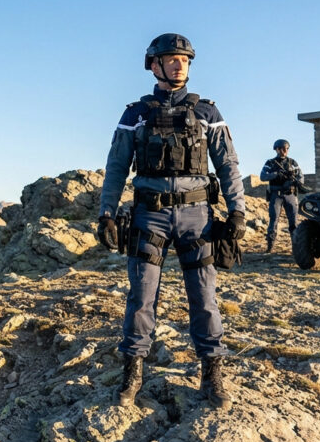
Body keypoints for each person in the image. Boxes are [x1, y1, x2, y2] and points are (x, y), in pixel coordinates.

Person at [97, 33, 246, 410]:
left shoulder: (208, 113)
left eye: (185, 59)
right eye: (172, 59)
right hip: (150, 216)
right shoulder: (136, 114)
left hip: (198, 217)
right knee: (141, 296)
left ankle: (212, 374)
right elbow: (116, 168)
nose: (180, 64)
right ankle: (132, 371)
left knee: (205, 297)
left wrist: (238, 211)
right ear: (154, 65)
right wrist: (106, 213)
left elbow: (228, 165)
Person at [259, 139, 304, 254]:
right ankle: (270, 247)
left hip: (290, 195)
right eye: (283, 148)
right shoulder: (270, 163)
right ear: (277, 149)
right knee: (273, 221)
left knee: (293, 222)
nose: (285, 151)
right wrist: (275, 174)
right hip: (276, 195)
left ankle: (295, 247)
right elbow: (263, 176)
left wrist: (294, 181)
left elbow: (301, 177)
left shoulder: (292, 162)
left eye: (287, 148)